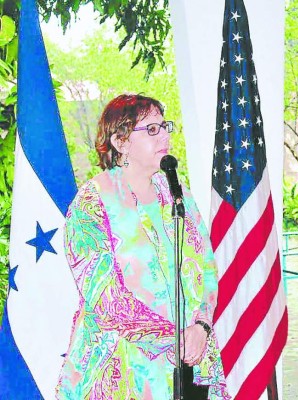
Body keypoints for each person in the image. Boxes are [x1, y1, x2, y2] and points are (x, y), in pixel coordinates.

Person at [55, 94, 230, 399]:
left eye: (164, 126)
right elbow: (105, 297)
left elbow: (207, 268)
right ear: (120, 142)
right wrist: (173, 339)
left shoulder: (178, 194)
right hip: (122, 366)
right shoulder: (92, 201)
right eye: (151, 129)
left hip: (190, 361)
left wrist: (201, 326)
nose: (164, 135)